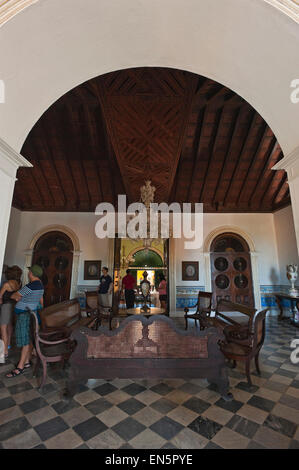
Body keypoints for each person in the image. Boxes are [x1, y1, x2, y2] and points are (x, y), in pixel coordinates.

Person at [6, 264, 44, 378]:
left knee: (25, 341)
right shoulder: (40, 284)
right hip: (32, 313)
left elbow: (14, 295)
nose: (28, 273)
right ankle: (27, 361)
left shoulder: (31, 285)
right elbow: (39, 300)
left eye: (29, 272)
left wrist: (19, 297)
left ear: (31, 273)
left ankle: (20, 367)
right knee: (29, 338)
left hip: (25, 315)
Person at [0, 265, 22, 359]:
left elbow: (0, 297)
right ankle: (8, 344)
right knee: (9, 326)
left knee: (3, 328)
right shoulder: (19, 283)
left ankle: (4, 351)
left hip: (5, 307)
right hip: (13, 306)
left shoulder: (6, 284)